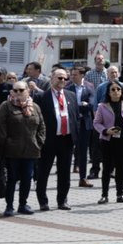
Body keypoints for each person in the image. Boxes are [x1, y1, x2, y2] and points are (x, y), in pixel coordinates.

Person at [0, 81, 45, 217]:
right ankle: (9, 206)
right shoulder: (6, 106)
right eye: (15, 90)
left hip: (31, 150)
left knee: (27, 178)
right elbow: (0, 128)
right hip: (12, 151)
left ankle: (23, 204)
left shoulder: (34, 107)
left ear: (28, 91)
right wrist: (5, 145)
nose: (18, 93)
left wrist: (38, 143)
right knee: (12, 178)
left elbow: (42, 127)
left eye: (21, 90)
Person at [34, 68, 78, 211]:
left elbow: (75, 117)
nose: (62, 81)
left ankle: (62, 200)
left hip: (66, 139)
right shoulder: (41, 97)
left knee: (65, 172)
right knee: (43, 171)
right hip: (49, 140)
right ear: (52, 78)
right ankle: (43, 201)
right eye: (59, 78)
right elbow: (37, 121)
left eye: (65, 78)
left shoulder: (71, 95)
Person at [93, 81, 123, 204]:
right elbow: (96, 123)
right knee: (106, 168)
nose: (116, 91)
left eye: (118, 89)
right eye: (113, 89)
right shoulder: (102, 106)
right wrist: (106, 131)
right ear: (108, 92)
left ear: (122, 91)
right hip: (108, 140)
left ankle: (120, 195)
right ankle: (104, 195)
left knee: (120, 168)